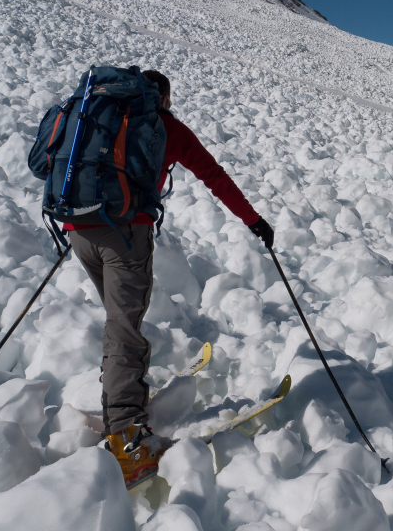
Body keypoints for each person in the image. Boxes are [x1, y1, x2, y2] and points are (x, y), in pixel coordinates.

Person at [64, 69, 274, 487]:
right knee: (124, 328)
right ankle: (127, 442)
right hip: (125, 235)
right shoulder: (165, 126)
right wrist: (254, 220)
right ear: (164, 98)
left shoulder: (96, 117)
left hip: (77, 228)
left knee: (118, 321)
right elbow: (213, 175)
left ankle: (125, 405)